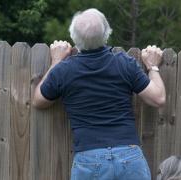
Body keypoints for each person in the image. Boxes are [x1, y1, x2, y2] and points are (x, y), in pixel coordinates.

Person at [32, 8, 166, 180]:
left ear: (74, 37)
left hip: (89, 157)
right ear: (107, 34)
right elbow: (158, 98)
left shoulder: (64, 71)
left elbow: (38, 101)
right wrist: (153, 67)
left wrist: (56, 62)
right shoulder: (124, 64)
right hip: (129, 155)